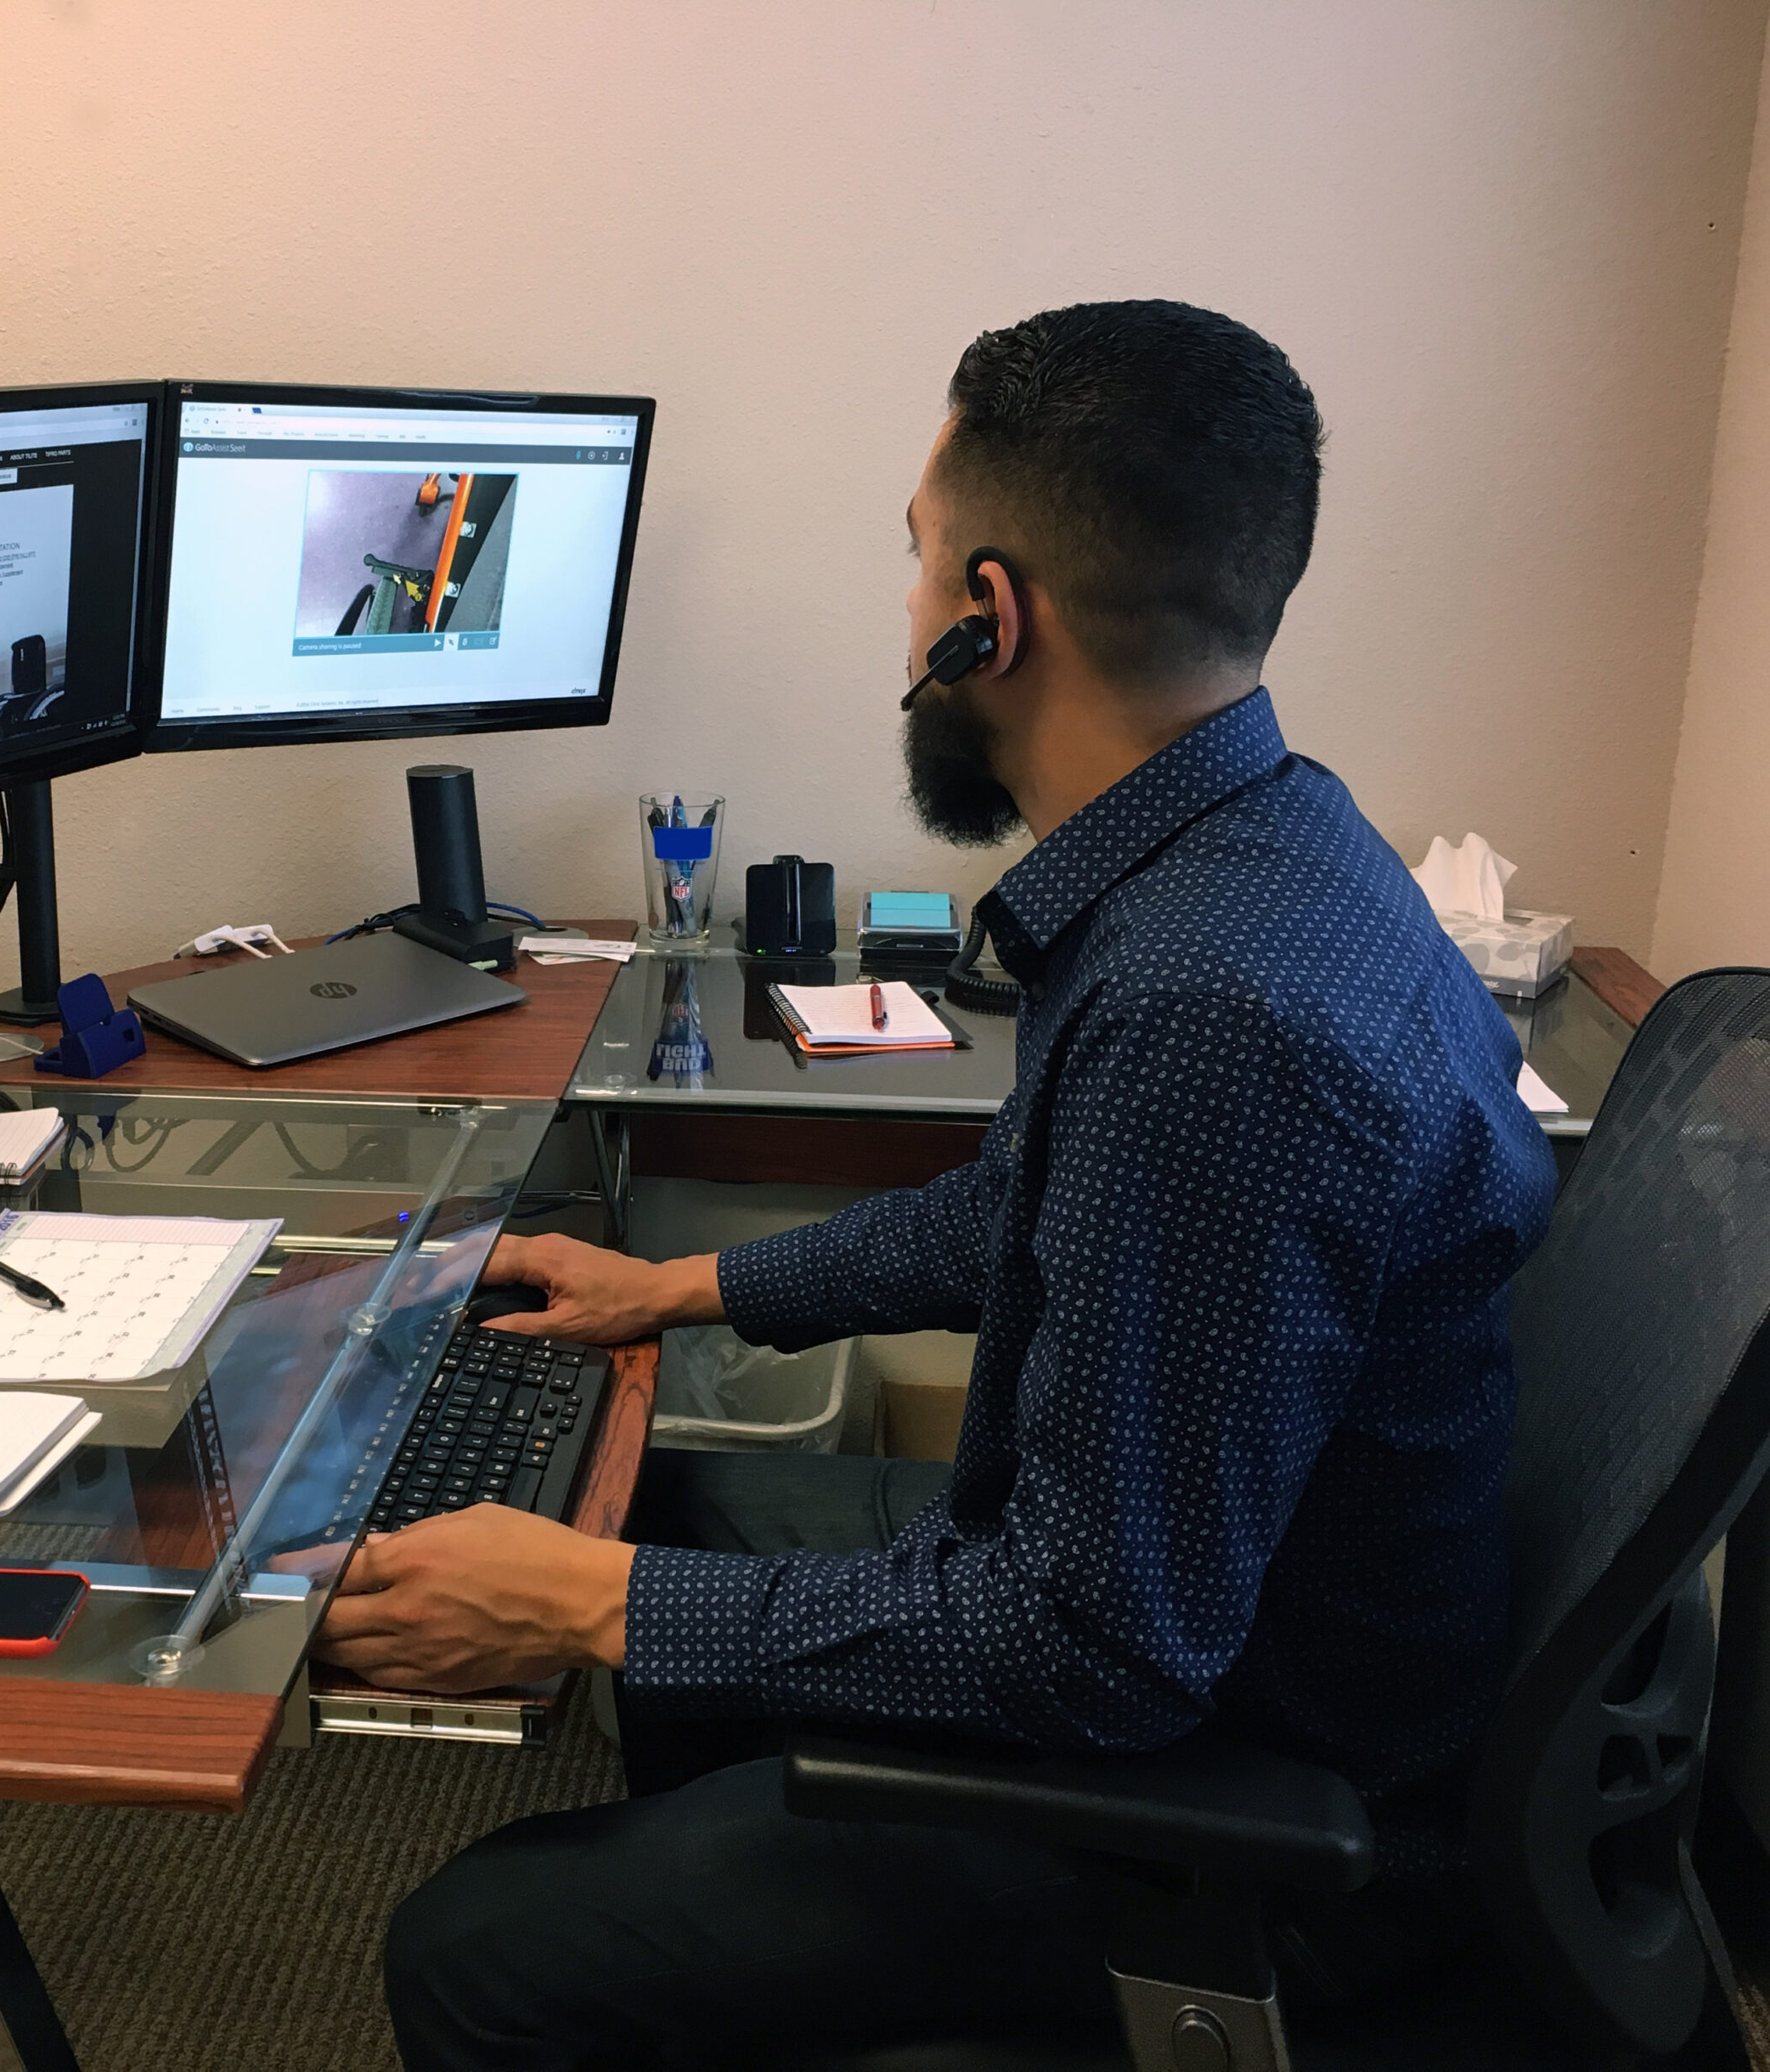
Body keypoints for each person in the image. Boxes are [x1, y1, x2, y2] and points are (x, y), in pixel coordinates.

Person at [317, 300, 1558, 2068]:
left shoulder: (1214, 1012)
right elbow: (1030, 1211)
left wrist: (575, 1604)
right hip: (1247, 1650)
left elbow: (1097, 1646)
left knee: (480, 1942)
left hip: (1237, 1802)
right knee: (661, 1524)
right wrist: (678, 1288)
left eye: (911, 565)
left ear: (989, 613)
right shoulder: (1259, 846)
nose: (900, 613)